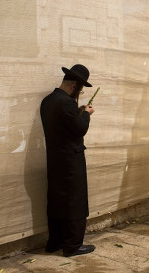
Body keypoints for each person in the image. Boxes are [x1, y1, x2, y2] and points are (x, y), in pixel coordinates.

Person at [40, 64, 96, 257]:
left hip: (54, 160)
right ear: (74, 86)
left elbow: (64, 125)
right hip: (71, 161)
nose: (79, 93)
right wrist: (86, 114)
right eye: (80, 89)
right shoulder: (67, 103)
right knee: (75, 201)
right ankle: (72, 245)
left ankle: (54, 242)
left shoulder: (48, 101)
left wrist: (78, 112)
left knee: (57, 200)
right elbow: (80, 129)